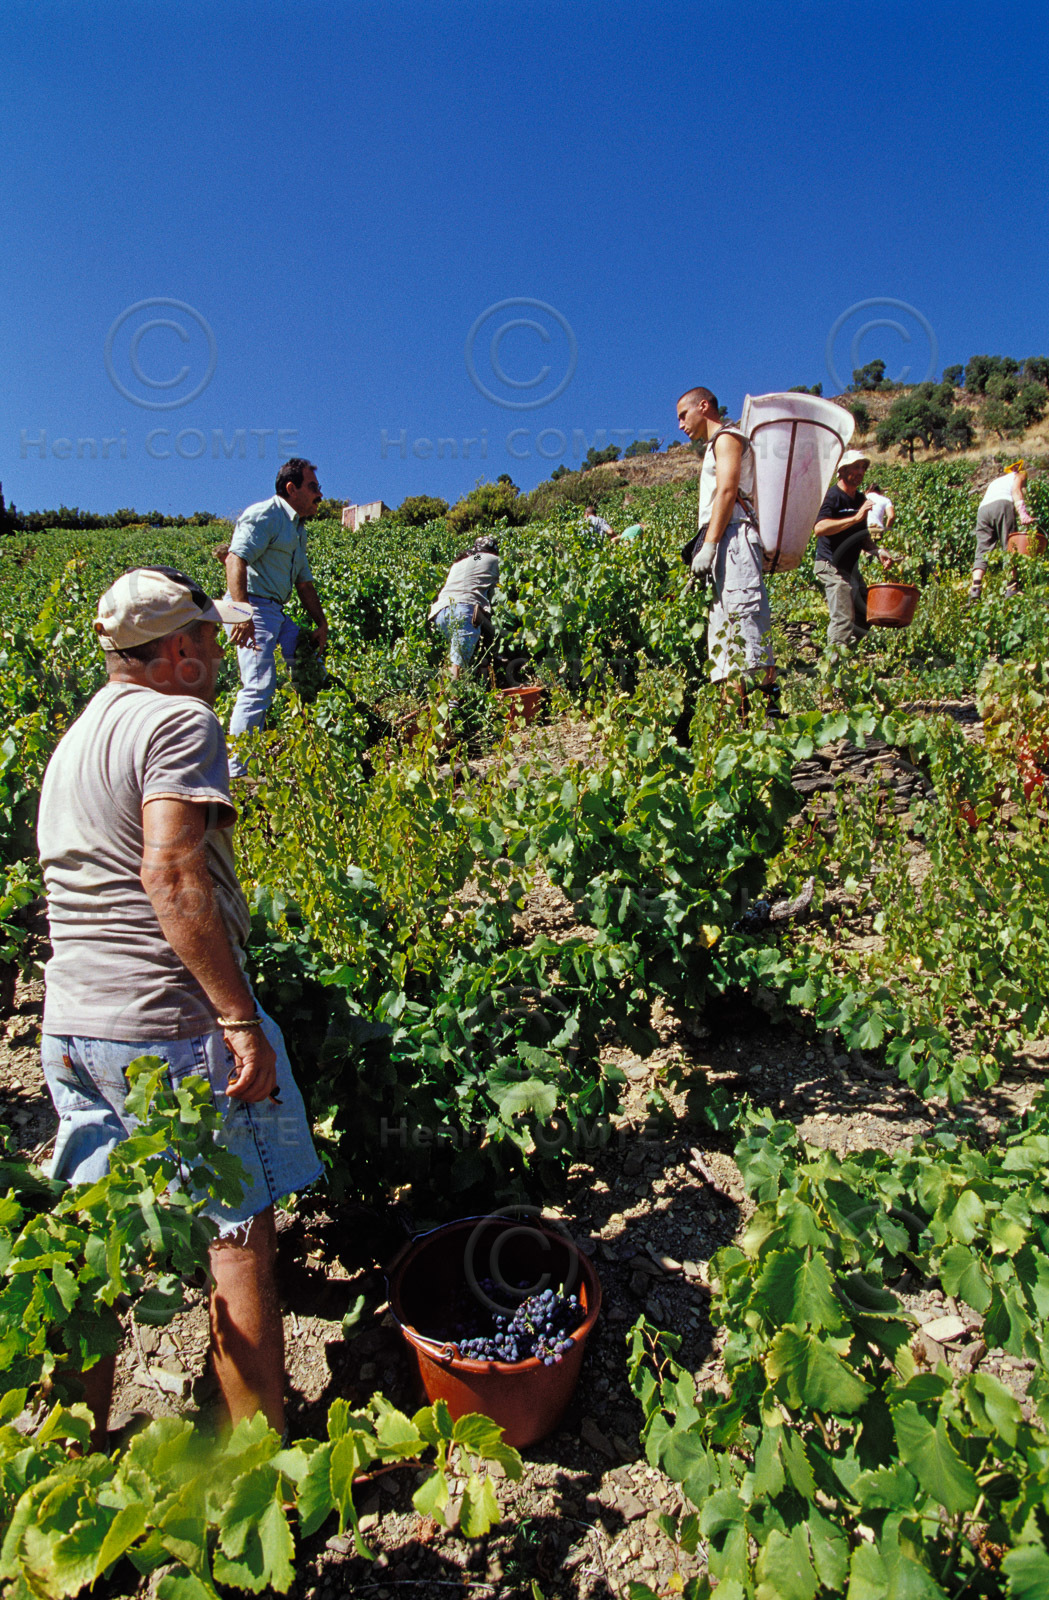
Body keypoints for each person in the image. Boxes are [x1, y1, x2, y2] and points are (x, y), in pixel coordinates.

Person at [37, 567, 322, 1446]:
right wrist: (236, 1018)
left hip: (72, 1027)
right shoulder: (177, 719)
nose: (219, 649)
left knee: (97, 1242)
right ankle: (256, 1461)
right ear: (173, 651)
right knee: (236, 1231)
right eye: (206, 637)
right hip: (165, 1025)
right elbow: (168, 872)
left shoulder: (77, 736)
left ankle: (69, 1449)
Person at [225, 459, 329, 776]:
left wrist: (322, 623)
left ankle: (313, 740)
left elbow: (304, 584)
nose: (320, 495)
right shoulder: (265, 515)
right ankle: (234, 773)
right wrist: (242, 612)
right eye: (313, 487)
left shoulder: (297, 530)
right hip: (252, 606)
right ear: (290, 488)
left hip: (274, 612)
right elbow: (234, 559)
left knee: (309, 661)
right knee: (258, 686)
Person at [676, 386, 775, 694]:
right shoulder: (715, 444)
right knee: (727, 643)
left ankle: (766, 722)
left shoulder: (728, 438)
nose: (681, 425)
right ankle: (737, 730)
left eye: (683, 415)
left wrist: (710, 545)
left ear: (703, 406)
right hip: (723, 542)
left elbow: (728, 491)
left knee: (748, 634)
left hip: (733, 540)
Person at [812, 450, 895, 650]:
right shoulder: (832, 496)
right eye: (856, 467)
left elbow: (862, 535)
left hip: (850, 568)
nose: (860, 472)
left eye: (863, 468)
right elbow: (819, 528)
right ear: (842, 471)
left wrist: (877, 551)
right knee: (842, 616)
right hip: (830, 565)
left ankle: (845, 654)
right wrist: (855, 518)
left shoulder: (859, 499)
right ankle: (833, 667)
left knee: (866, 613)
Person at [428, 536, 500, 679]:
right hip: (464, 610)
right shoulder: (493, 560)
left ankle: (449, 693)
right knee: (458, 664)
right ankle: (453, 700)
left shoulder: (460, 563)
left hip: (440, 613)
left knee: (458, 658)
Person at [968, 459, 1033, 601]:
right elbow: (1016, 491)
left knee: (982, 550)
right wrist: (1023, 514)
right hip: (1002, 505)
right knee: (1010, 545)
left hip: (983, 510)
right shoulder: (1020, 475)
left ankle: (975, 588)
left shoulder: (998, 481)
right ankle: (1011, 587)